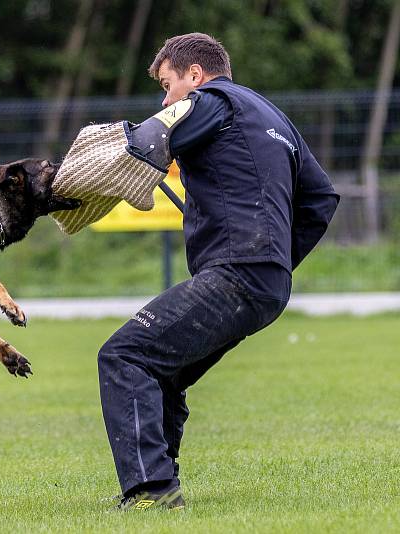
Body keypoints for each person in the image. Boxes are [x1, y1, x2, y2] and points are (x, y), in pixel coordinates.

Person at [98, 33, 339, 510]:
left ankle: (150, 489)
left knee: (125, 356)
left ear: (194, 74)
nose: (165, 99)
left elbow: (147, 141)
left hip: (236, 274)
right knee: (162, 371)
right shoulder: (274, 116)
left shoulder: (209, 100)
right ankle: (160, 485)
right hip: (268, 280)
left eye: (167, 85)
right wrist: (277, 258)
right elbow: (321, 198)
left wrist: (98, 159)